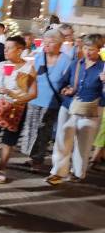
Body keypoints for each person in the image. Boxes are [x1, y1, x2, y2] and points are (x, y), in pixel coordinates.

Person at [46, 34, 105, 185]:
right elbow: (63, 82)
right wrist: (65, 89)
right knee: (62, 139)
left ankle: (78, 172)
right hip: (69, 106)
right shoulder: (76, 63)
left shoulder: (102, 67)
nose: (87, 52)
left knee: (83, 144)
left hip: (91, 109)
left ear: (99, 49)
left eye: (91, 49)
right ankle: (58, 171)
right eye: (85, 48)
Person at [0, 36, 37, 184]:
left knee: (8, 140)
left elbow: (33, 93)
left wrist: (15, 97)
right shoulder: (1, 64)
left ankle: (2, 168)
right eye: (4, 48)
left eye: (9, 48)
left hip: (16, 107)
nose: (5, 51)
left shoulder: (28, 68)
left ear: (19, 50)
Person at [19, 29, 72, 171]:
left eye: (51, 42)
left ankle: (38, 159)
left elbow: (68, 81)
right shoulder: (38, 57)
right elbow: (29, 76)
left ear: (60, 44)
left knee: (44, 130)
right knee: (31, 128)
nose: (46, 45)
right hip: (34, 98)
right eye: (45, 42)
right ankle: (31, 156)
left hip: (52, 102)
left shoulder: (66, 61)